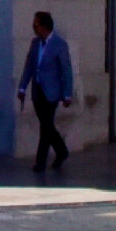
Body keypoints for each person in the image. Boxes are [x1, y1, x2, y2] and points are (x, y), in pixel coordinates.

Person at [15, 10, 74, 170]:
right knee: (46, 124)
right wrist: (22, 87)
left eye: (36, 25)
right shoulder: (35, 43)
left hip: (52, 92)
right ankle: (61, 151)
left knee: (45, 126)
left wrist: (67, 94)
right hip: (37, 91)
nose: (34, 28)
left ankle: (40, 162)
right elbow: (29, 66)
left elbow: (66, 70)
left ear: (44, 26)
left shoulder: (59, 44)